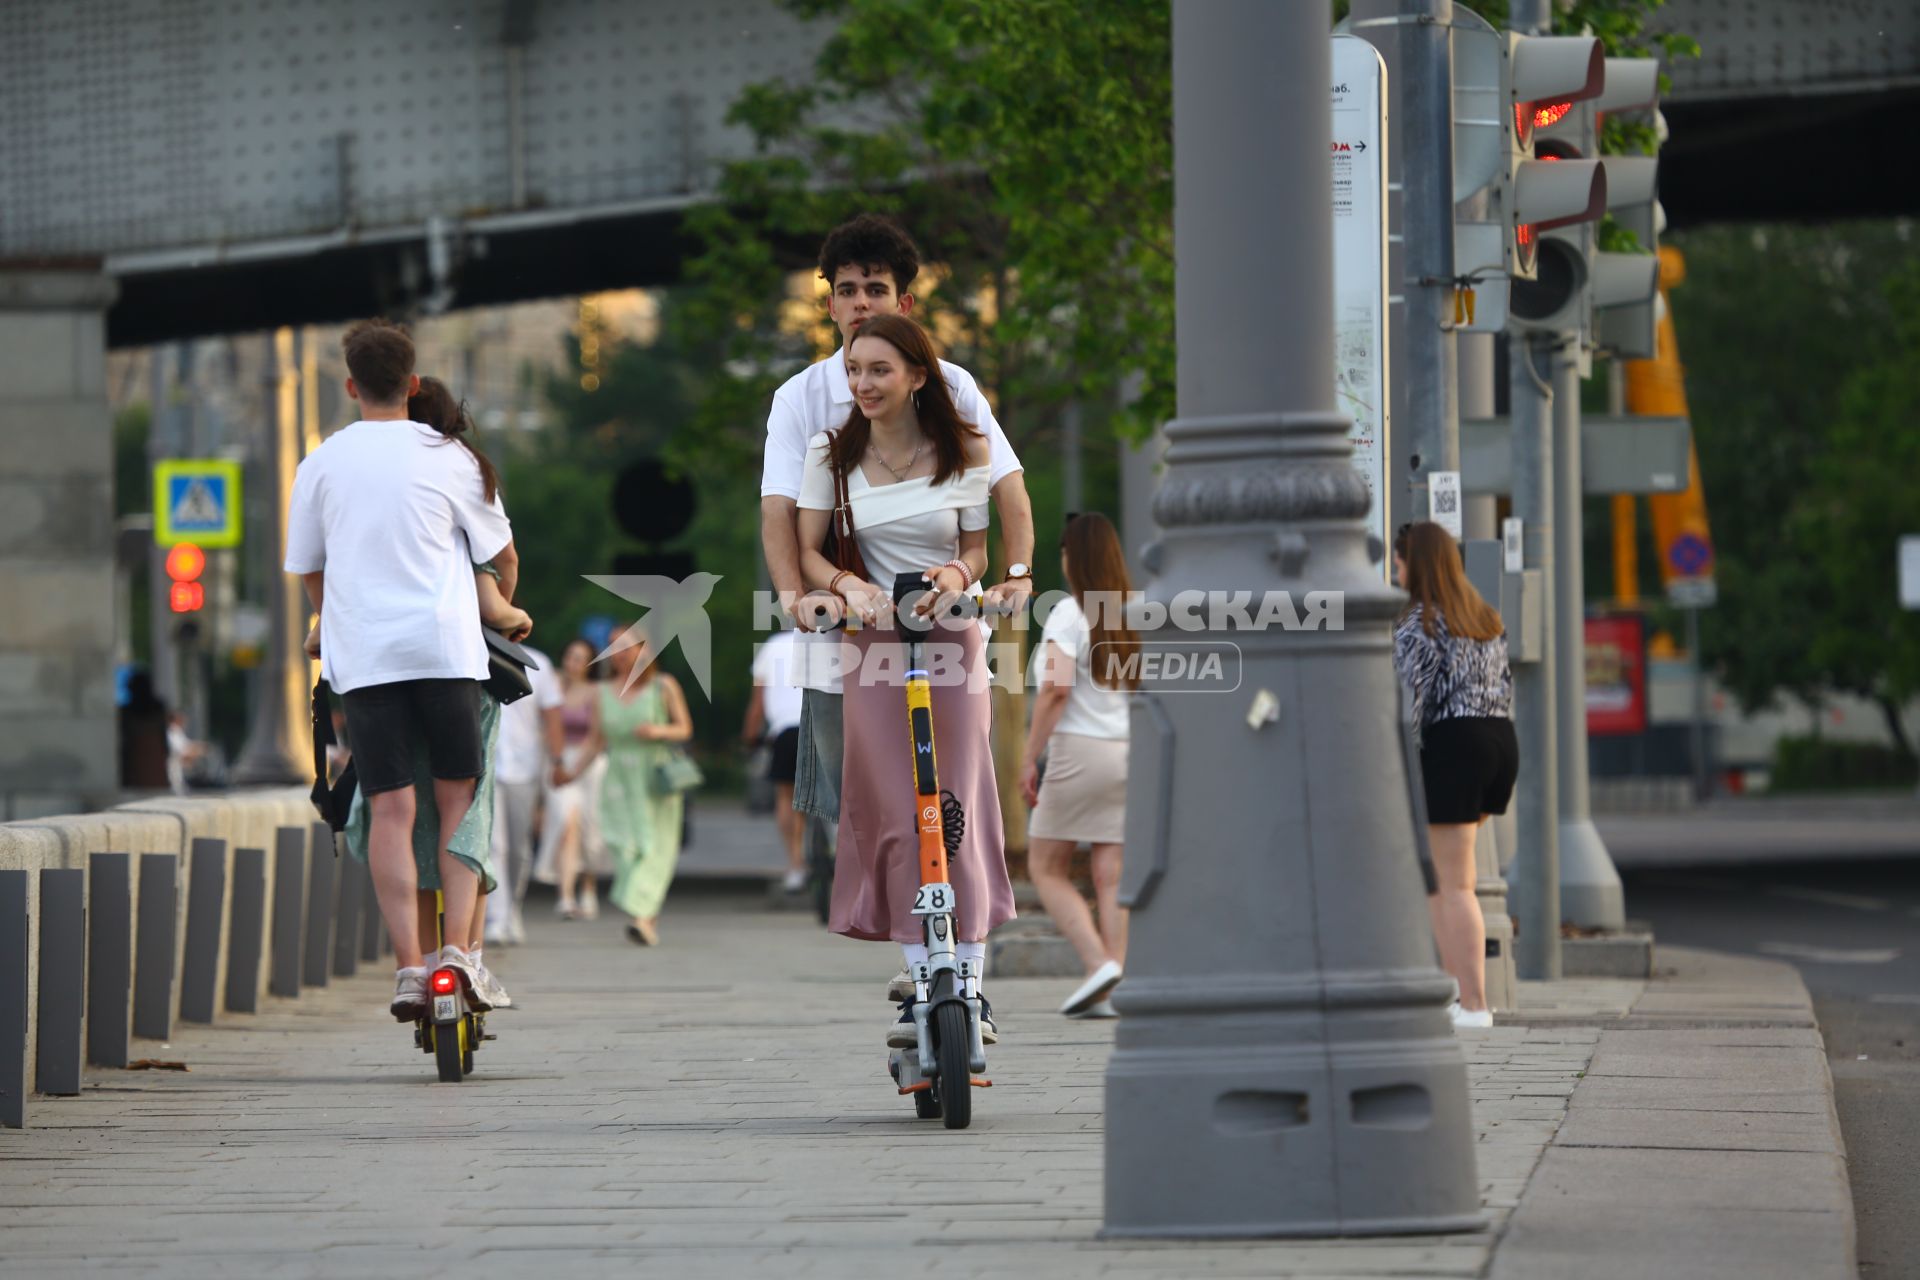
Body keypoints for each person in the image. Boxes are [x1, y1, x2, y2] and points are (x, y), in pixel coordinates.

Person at [759, 212, 1035, 1004]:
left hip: (946, 628)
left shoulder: (955, 393)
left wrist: (1009, 575)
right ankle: (918, 950)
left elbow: (1005, 499)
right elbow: (782, 511)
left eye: (874, 289)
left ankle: (958, 964)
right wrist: (801, 595)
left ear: (906, 304)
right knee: (867, 796)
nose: (857, 302)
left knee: (956, 794)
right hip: (852, 629)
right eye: (844, 291)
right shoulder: (806, 404)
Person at [795, 313, 1019, 1047]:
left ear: (919, 375)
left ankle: (973, 985)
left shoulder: (966, 448)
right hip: (870, 642)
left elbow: (978, 549)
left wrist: (957, 572)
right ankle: (922, 976)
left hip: (949, 634)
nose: (862, 383)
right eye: (855, 369)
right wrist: (844, 584)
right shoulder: (831, 454)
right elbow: (805, 549)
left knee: (955, 805)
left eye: (880, 370)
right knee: (895, 807)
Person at [285, 320, 518, 1022]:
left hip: (367, 662)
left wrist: (331, 622)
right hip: (447, 654)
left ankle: (411, 971)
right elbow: (500, 553)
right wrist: (505, 607)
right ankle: (461, 956)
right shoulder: (451, 457)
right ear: (413, 385)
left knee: (390, 808)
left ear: (350, 385)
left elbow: (308, 568)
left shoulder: (322, 463)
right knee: (457, 803)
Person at [1392, 521, 1519, 1032]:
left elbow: (1408, 703)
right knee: (1443, 881)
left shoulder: (1419, 623)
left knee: (1453, 884)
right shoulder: (1485, 617)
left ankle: (1473, 1005)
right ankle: (1457, 996)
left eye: (1399, 562)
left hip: (1455, 743)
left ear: (1416, 563)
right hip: (1497, 741)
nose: (1395, 571)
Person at [1019, 512, 1137, 1019]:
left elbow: (1055, 690)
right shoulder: (1134, 610)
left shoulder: (1068, 613)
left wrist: (1029, 756)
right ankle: (1114, 982)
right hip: (1128, 750)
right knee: (1111, 872)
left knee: (1044, 866)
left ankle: (1096, 963)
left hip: (1079, 749)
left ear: (1074, 557)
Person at [578, 627, 695, 946]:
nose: (620, 654)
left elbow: (684, 728)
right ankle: (643, 911)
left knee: (654, 846)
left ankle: (642, 918)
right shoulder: (602, 691)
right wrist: (570, 773)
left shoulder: (663, 685)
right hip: (618, 777)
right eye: (613, 647)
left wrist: (658, 731)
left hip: (655, 776)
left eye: (627, 647)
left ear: (645, 650)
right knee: (622, 842)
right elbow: (594, 741)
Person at [536, 639, 612, 919]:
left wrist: (576, 769)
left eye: (580, 659)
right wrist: (556, 761)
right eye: (569, 656)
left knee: (589, 829)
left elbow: (597, 737)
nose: (572, 663)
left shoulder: (597, 692)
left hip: (589, 765)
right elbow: (542, 724)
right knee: (565, 823)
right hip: (557, 762)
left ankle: (588, 886)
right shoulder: (552, 684)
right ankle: (565, 896)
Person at [742, 622, 807, 893]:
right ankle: (836, 850)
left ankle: (796, 865)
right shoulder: (834, 639)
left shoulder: (772, 646)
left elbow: (758, 699)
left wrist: (749, 736)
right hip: (827, 726)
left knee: (786, 796)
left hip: (785, 729)